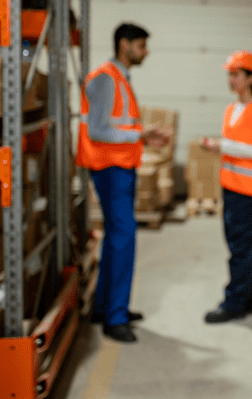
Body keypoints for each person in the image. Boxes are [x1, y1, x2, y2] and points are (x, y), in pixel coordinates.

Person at [76, 23, 172, 343]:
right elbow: (98, 130)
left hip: (120, 167)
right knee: (123, 237)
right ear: (124, 45)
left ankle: (105, 308)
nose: (145, 52)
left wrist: (143, 137)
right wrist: (139, 134)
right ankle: (114, 318)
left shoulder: (118, 78)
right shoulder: (106, 79)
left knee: (117, 238)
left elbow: (118, 126)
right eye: (141, 46)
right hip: (110, 169)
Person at [202, 50, 252, 324]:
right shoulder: (231, 110)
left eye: (236, 74)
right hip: (232, 187)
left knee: (240, 249)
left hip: (249, 192)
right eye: (230, 74)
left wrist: (223, 145)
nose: (231, 79)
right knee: (245, 247)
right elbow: (235, 147)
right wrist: (219, 146)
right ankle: (250, 299)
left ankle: (234, 303)